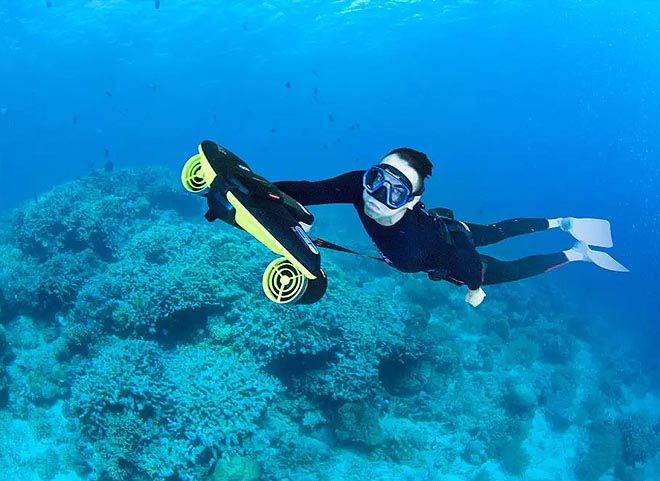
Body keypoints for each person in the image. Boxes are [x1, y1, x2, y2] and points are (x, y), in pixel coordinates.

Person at [273, 148, 628, 307]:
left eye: (396, 191)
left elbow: (469, 265)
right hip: (448, 225)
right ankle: (561, 223)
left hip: (452, 252)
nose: (376, 196)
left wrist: (474, 289)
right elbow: (309, 190)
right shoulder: (358, 186)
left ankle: (577, 252)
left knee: (509, 269)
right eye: (377, 178)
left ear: (411, 201)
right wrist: (261, 188)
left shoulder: (416, 248)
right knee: (495, 230)